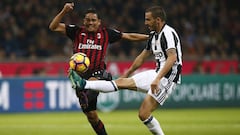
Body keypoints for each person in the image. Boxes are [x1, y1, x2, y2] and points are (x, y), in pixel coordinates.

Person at [69, 6, 182, 135]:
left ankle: (85, 84)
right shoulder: (153, 36)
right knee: (121, 82)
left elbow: (172, 58)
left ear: (158, 20)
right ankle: (84, 84)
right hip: (157, 72)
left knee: (143, 114)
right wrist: (127, 73)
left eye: (148, 20)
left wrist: (157, 79)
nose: (145, 23)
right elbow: (142, 57)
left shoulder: (168, 33)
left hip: (168, 77)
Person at [49, 2, 148, 135]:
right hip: (80, 78)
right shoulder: (76, 32)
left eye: (93, 20)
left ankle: (86, 92)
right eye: (88, 20)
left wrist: (150, 37)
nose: (90, 23)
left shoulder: (107, 33)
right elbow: (53, 27)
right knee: (92, 117)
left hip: (99, 73)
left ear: (99, 22)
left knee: (92, 84)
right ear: (83, 21)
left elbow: (129, 36)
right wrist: (64, 11)